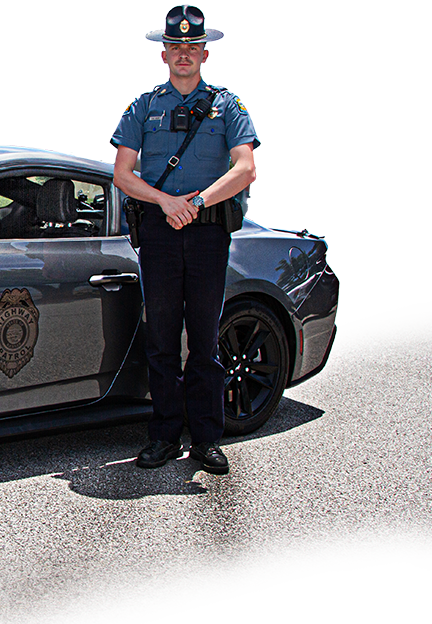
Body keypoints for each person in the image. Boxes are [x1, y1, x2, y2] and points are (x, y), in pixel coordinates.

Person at [109, 5, 258, 475]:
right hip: (158, 230)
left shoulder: (228, 105)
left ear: (204, 53)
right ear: (165, 54)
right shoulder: (144, 107)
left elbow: (245, 167)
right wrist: (165, 202)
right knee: (161, 338)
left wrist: (197, 203)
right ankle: (163, 436)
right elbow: (122, 175)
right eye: (176, 47)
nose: (184, 55)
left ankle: (208, 439)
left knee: (205, 338)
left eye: (192, 48)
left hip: (208, 231)